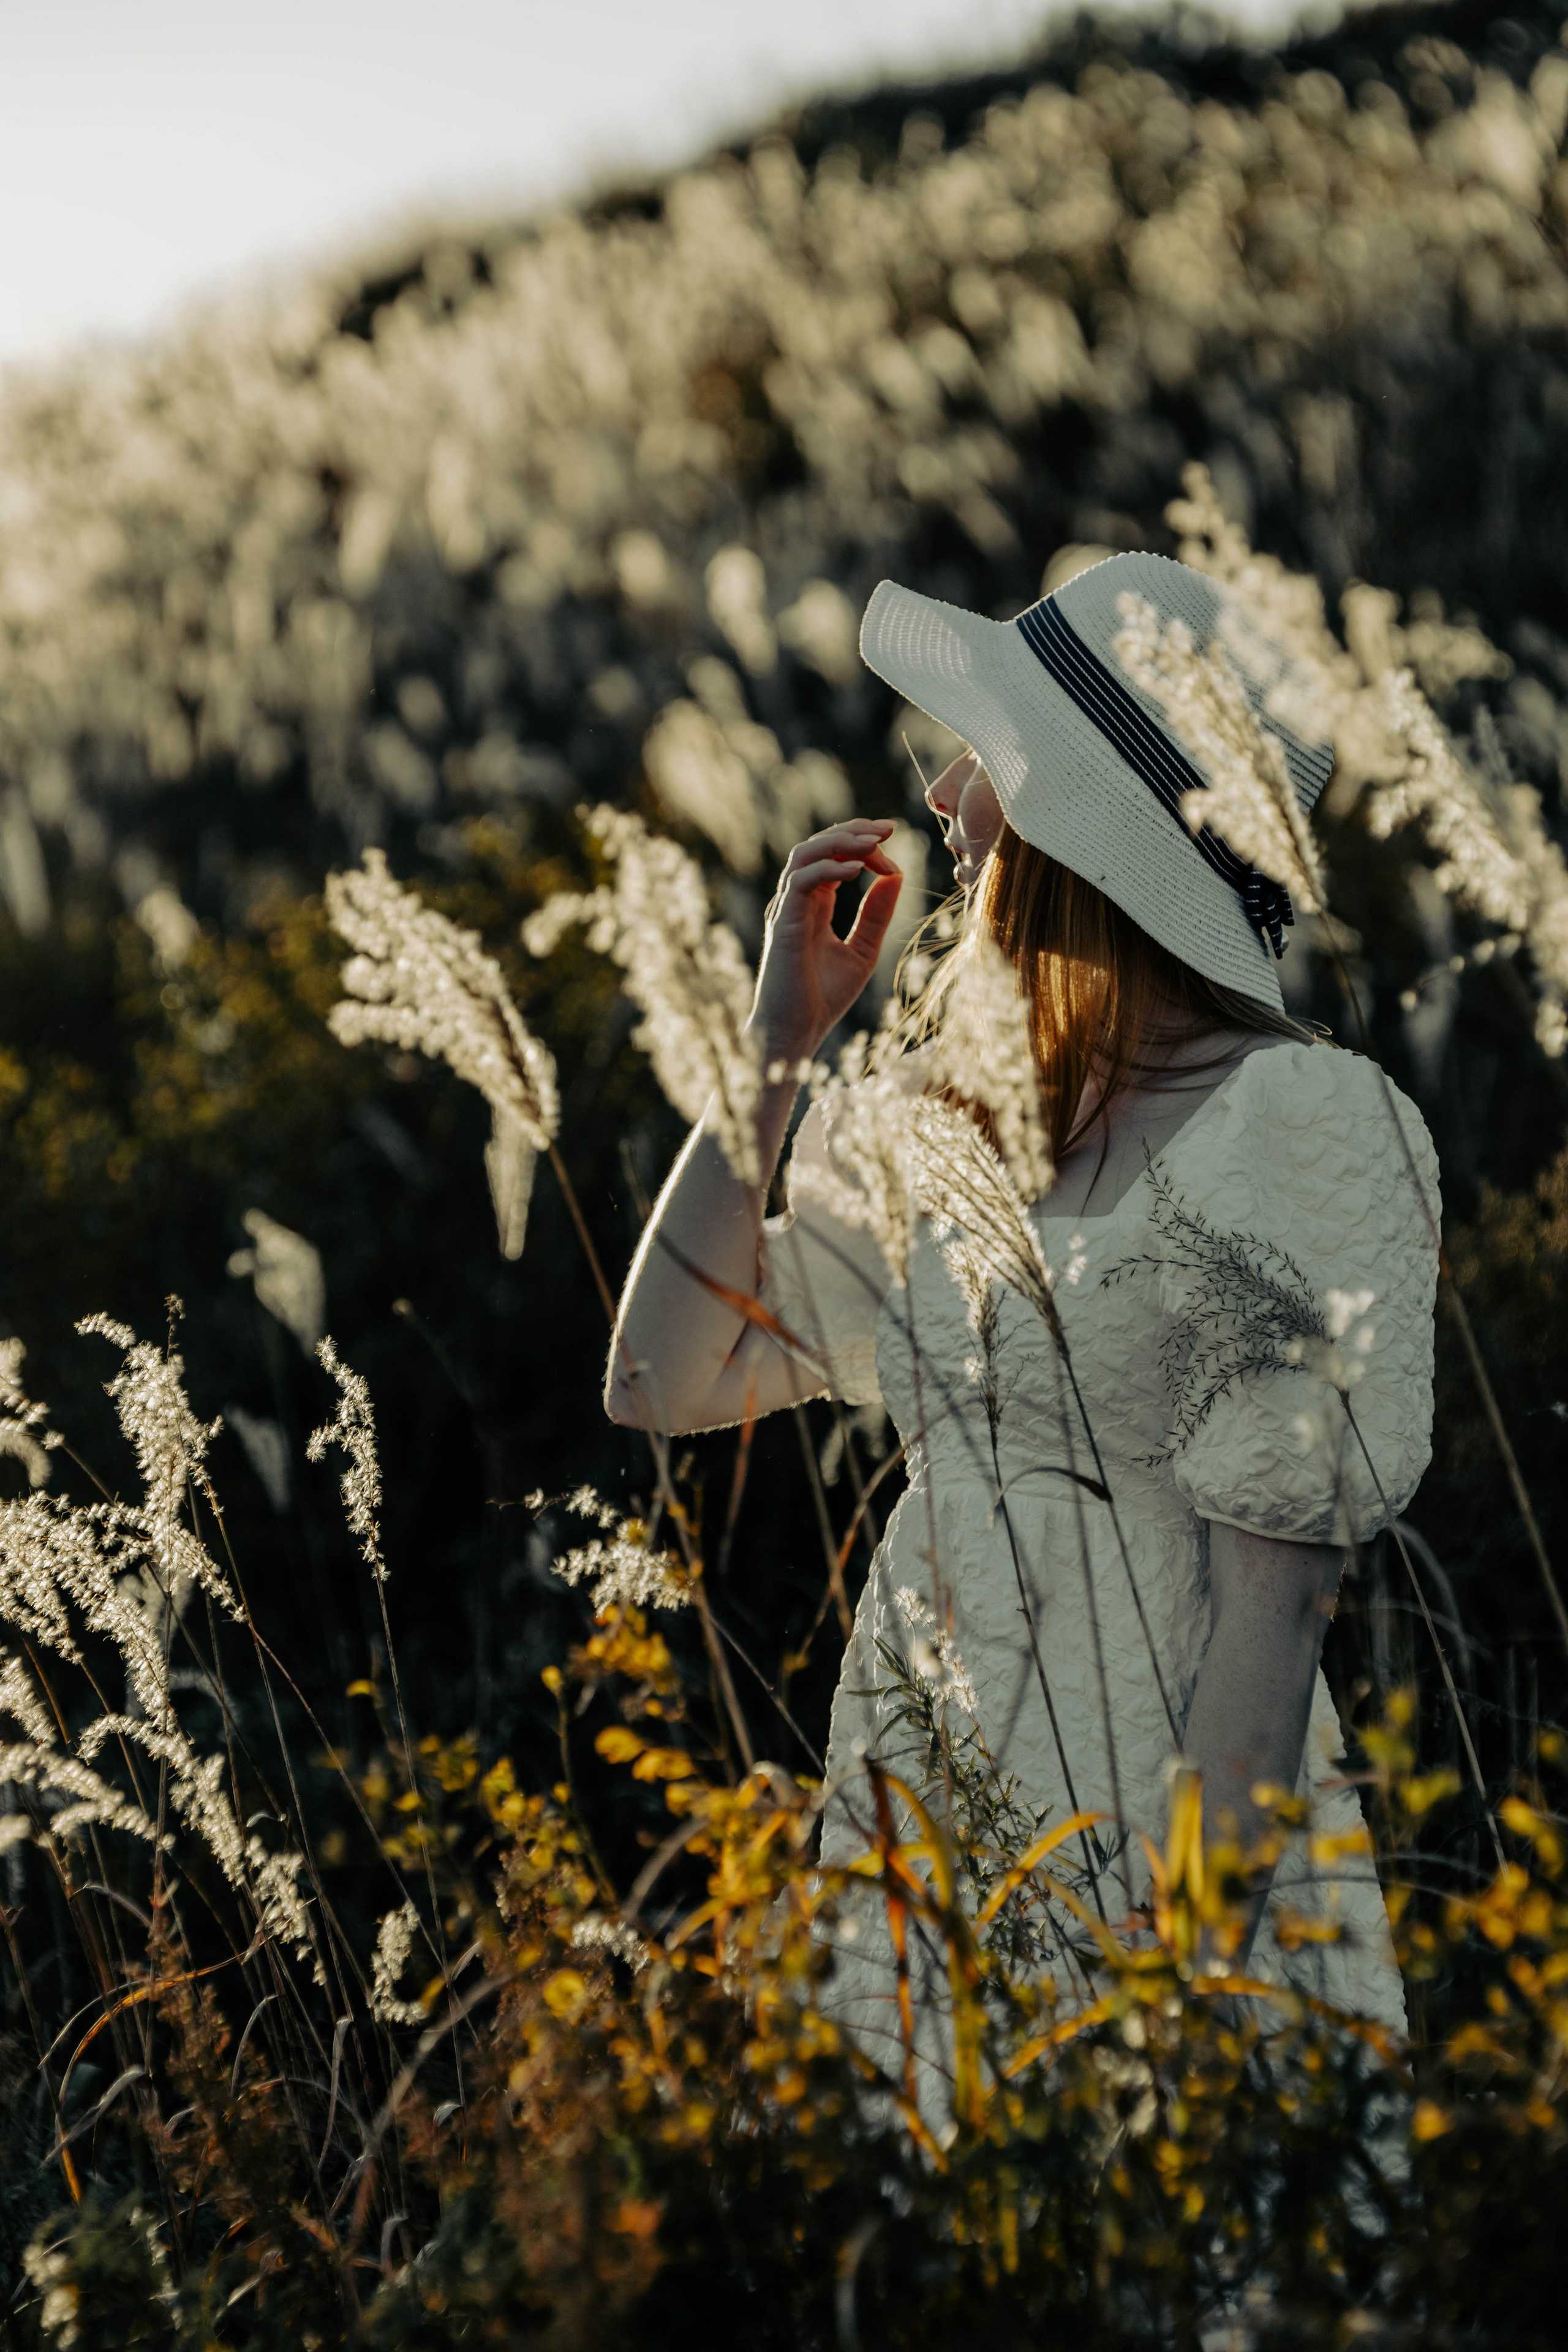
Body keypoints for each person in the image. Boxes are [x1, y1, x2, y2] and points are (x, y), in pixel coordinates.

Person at [607, 549, 1438, 2065]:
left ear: (1079, 825)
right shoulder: (950, 1115)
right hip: (918, 1822)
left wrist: (1173, 1998)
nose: (941, 800)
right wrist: (775, 1049)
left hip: (1151, 1855)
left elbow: (1273, 1625)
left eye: (982, 758)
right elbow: (662, 1376)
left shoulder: (1304, 1125)